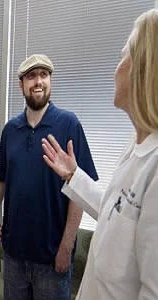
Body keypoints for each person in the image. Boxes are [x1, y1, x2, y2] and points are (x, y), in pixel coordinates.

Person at [42, 9, 158, 300]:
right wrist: (72, 175)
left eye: (122, 57)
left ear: (144, 68)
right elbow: (116, 210)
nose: (115, 68)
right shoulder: (136, 145)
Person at [0, 54, 98, 300]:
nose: (38, 81)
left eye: (43, 75)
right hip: (14, 254)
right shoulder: (11, 130)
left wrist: (67, 246)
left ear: (50, 81)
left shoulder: (68, 124)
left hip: (52, 258)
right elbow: (1, 177)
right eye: (31, 76)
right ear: (21, 85)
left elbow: (82, 190)